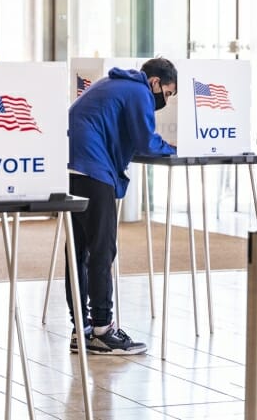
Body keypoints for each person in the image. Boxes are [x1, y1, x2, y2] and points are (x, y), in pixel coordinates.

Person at [65, 58, 177, 355]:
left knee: (77, 251)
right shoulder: (139, 92)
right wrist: (174, 148)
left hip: (70, 166)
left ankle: (81, 328)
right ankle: (103, 329)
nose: (164, 100)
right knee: (102, 249)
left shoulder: (112, 83)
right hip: (92, 167)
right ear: (155, 83)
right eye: (166, 93)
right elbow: (145, 141)